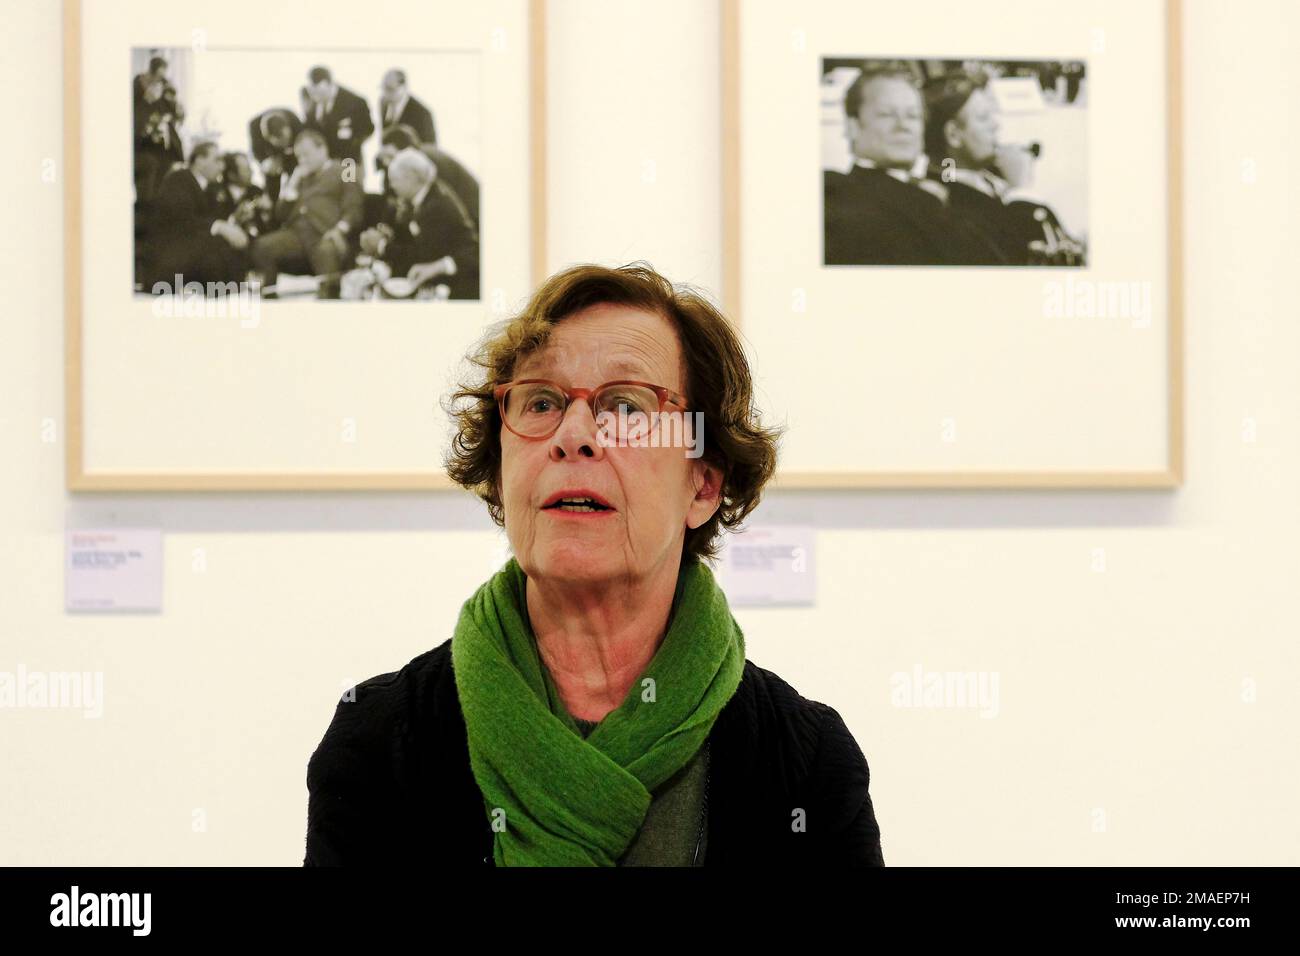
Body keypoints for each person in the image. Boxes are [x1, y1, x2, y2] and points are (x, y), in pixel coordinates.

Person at [304, 262, 886, 866]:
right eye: (540, 402)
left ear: (703, 485)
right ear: (501, 474)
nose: (573, 435)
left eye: (627, 408)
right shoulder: (379, 743)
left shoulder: (807, 765)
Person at [823, 65, 1005, 266]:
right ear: (852, 127)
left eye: (913, 116)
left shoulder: (930, 189)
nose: (903, 125)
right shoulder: (842, 202)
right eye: (886, 114)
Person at [922, 72, 1086, 266]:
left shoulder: (984, 175)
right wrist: (1021, 192)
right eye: (983, 118)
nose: (996, 125)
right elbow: (1024, 254)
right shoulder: (946, 200)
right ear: (953, 135)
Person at [250, 128, 363, 299]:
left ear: (322, 149)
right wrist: (292, 185)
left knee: (327, 253)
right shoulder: (298, 175)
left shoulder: (346, 168)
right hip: (296, 234)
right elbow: (280, 215)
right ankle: (268, 301)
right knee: (262, 247)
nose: (302, 160)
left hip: (325, 233)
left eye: (306, 154)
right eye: (299, 156)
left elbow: (354, 206)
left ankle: (329, 305)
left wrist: (340, 229)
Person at [358, 147, 479, 299]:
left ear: (411, 178)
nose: (392, 186)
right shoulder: (426, 195)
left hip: (461, 279)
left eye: (394, 180)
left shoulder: (436, 205)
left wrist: (382, 246)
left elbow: (422, 255)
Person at [146, 140, 247, 290]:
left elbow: (212, 219)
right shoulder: (178, 179)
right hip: (170, 260)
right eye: (216, 160)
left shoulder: (211, 188)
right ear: (199, 161)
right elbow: (183, 221)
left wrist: (233, 220)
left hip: (192, 256)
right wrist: (220, 227)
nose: (222, 166)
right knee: (218, 249)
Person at [301, 66, 374, 168]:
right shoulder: (313, 102)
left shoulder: (355, 102)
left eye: (317, 91)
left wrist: (351, 142)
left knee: (349, 182)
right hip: (322, 165)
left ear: (329, 83)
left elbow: (368, 129)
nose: (314, 96)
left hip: (348, 161)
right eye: (312, 91)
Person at [248, 107, 302, 203]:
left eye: (287, 139)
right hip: (272, 160)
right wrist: (267, 164)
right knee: (271, 175)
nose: (286, 143)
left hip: (295, 154)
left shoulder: (294, 121)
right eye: (282, 142)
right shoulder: (254, 128)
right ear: (270, 140)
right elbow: (258, 156)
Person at [376, 69, 436, 145]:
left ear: (405, 87)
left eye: (391, 89)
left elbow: (430, 146)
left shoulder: (422, 113)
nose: (386, 94)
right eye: (384, 89)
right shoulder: (383, 104)